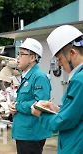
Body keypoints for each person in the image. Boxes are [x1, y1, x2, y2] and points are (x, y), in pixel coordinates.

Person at [31, 25, 83, 154]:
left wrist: (41, 114)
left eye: (60, 59)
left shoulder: (79, 80)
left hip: (75, 146)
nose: (59, 64)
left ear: (72, 53)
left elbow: (65, 121)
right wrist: (58, 109)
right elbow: (78, 112)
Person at [9, 38, 52, 154]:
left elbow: (40, 104)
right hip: (24, 132)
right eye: (18, 54)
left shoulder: (39, 77)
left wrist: (17, 106)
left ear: (32, 58)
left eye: (21, 54)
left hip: (32, 134)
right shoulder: (27, 76)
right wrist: (13, 106)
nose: (17, 58)